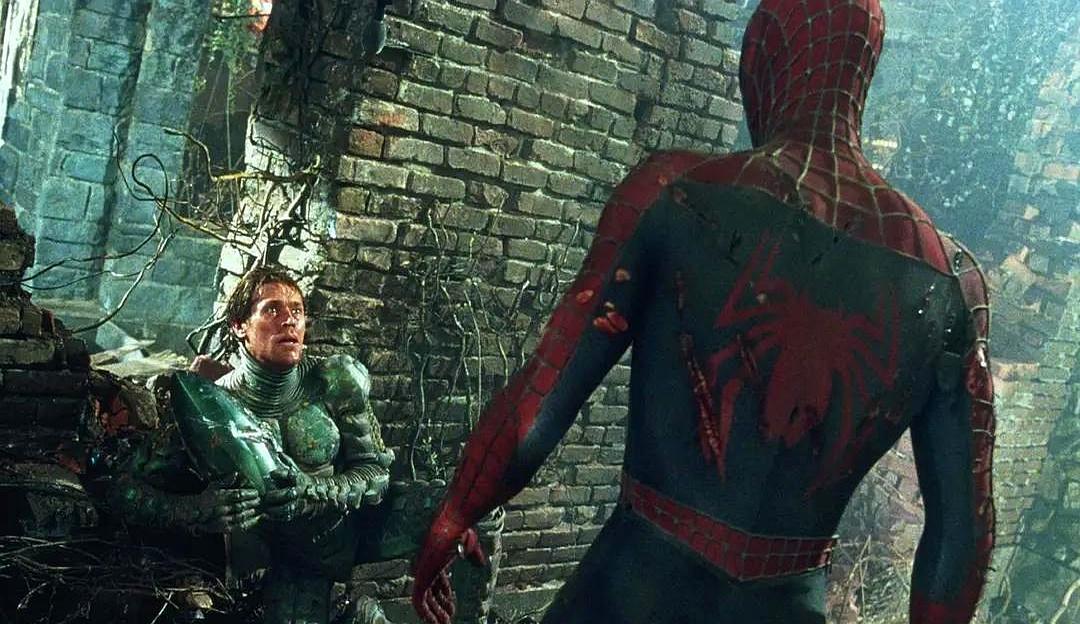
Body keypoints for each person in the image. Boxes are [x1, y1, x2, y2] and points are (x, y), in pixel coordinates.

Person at [411, 1, 995, 623]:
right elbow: (963, 536)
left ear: (770, 56)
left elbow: (546, 391)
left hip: (630, 591)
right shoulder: (951, 282)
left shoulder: (676, 191)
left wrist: (457, 511)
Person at [109, 266, 395, 624]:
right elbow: (124, 492)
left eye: (297, 310)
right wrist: (196, 509)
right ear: (239, 326)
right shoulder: (210, 408)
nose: (289, 321)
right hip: (252, 576)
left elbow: (376, 472)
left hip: (331, 555)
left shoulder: (335, 382)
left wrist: (314, 489)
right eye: (272, 309)